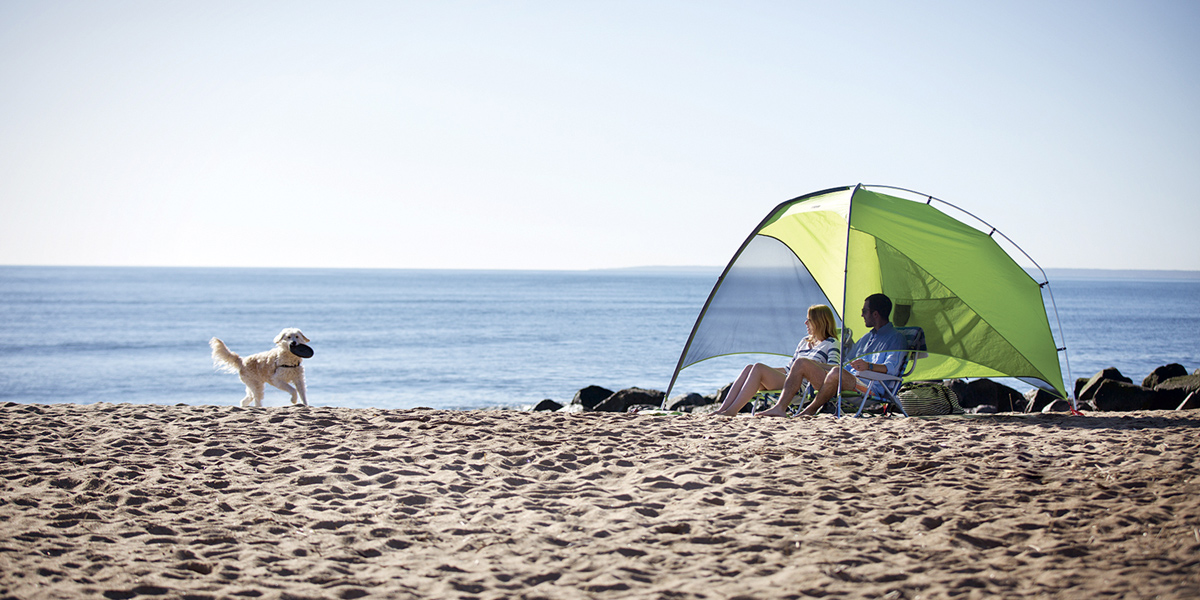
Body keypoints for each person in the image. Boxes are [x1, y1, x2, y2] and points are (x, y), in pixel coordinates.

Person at [757, 293, 906, 417]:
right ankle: (780, 408)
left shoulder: (896, 338)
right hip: (844, 380)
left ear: (875, 314)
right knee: (802, 362)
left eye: (864, 311)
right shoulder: (866, 339)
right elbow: (845, 363)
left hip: (870, 387)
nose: (861, 314)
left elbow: (891, 368)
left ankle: (810, 410)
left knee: (836, 371)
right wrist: (818, 364)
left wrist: (869, 366)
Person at [712, 304, 841, 416]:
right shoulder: (804, 342)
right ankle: (723, 409)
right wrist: (768, 371)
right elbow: (788, 369)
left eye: (809, 320)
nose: (805, 323)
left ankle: (732, 411)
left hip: (801, 386)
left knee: (758, 368)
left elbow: (834, 369)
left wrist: (813, 364)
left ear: (819, 321)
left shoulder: (831, 343)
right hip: (789, 379)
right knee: (750, 368)